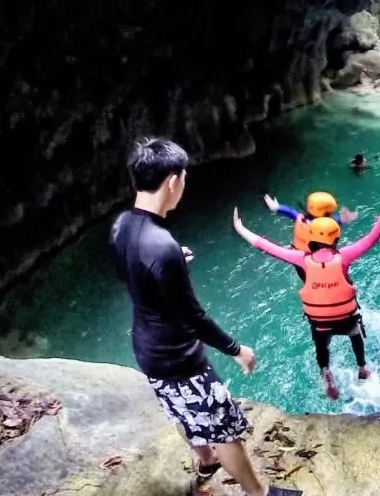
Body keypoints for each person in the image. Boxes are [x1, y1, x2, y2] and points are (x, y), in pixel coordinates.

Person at [111, 138, 299, 496]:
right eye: (183, 178)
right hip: (178, 356)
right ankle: (259, 493)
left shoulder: (122, 225)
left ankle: (204, 458)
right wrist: (236, 348)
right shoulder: (161, 246)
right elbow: (192, 318)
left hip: (146, 349)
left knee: (180, 410)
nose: (184, 186)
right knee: (223, 428)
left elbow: (130, 271)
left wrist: (171, 264)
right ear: (172, 181)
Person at [234, 189, 380, 401]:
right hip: (345, 319)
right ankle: (363, 368)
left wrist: (240, 228)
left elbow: (265, 246)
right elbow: (373, 236)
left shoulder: (301, 259)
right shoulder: (344, 257)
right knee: (355, 333)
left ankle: (326, 372)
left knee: (321, 346)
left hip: (320, 323)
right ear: (335, 237)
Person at [263, 191, 357, 251]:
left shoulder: (300, 219)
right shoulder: (329, 223)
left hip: (298, 255)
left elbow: (290, 212)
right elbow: (337, 220)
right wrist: (346, 219)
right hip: (315, 260)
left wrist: (277, 207)